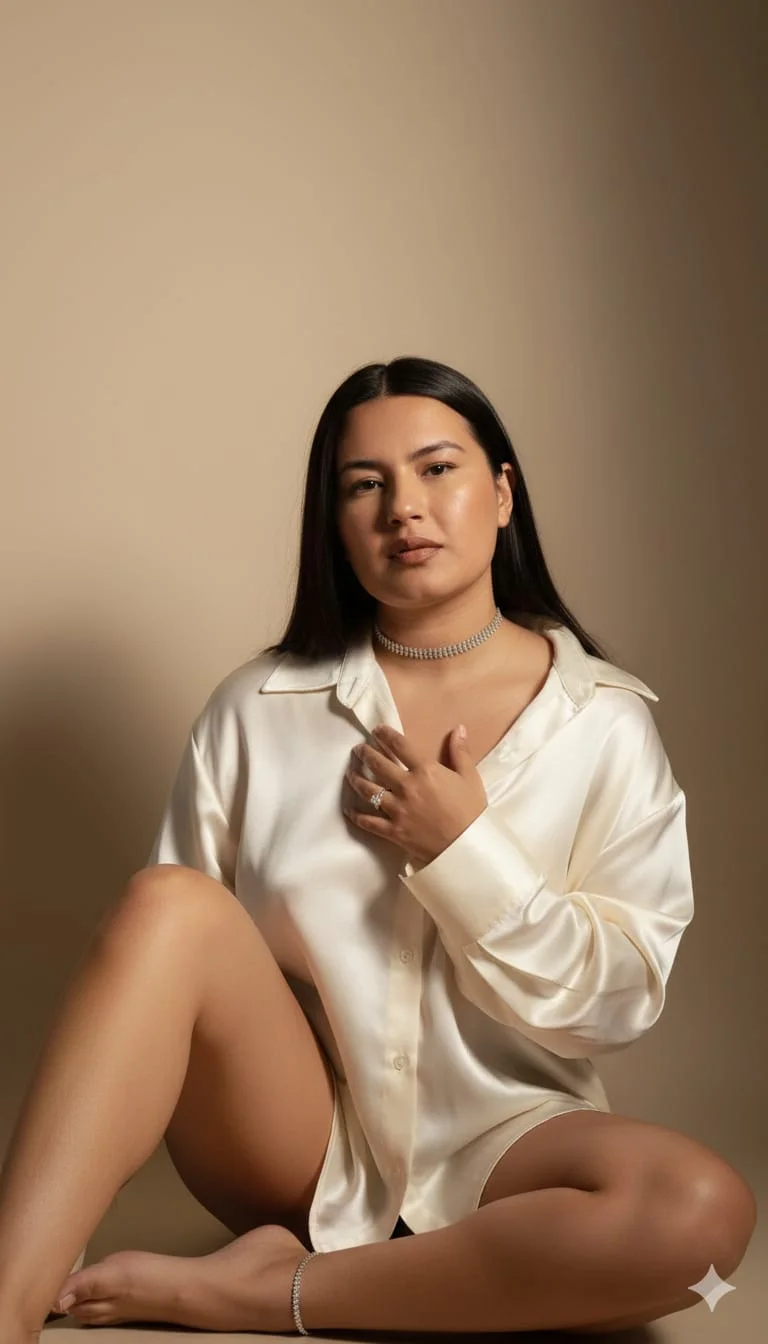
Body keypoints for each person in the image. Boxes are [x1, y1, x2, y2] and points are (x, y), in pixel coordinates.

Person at [0, 356, 756, 1340]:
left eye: (438, 469)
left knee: (701, 1222)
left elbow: (616, 1005)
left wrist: (463, 850)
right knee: (167, 902)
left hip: (510, 1142)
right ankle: (7, 1301)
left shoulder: (604, 725)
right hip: (291, 1142)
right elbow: (163, 982)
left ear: (502, 494)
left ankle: (257, 1293)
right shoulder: (254, 710)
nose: (405, 508)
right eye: (366, 485)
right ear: (336, 521)